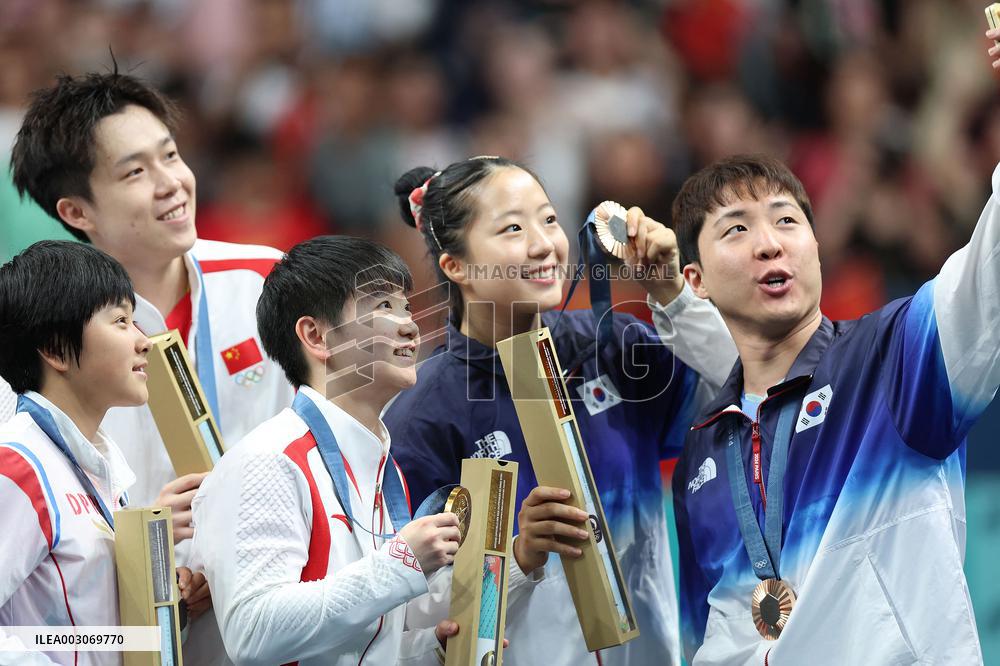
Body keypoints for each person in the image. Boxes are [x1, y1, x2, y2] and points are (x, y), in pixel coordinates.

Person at [384, 156, 736, 666]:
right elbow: (417, 618)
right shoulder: (423, 420)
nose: (543, 243)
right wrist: (520, 556)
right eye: (512, 228)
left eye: (548, 219)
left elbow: (744, 388)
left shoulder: (612, 347)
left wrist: (672, 292)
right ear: (455, 266)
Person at [670, 146, 999, 663]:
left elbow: (989, 275)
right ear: (696, 280)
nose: (769, 244)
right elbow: (709, 630)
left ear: (816, 248)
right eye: (737, 229)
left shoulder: (894, 356)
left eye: (786, 220)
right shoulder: (702, 451)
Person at [9, 71, 294, 662]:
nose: (172, 184)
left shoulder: (271, 283)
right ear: (76, 210)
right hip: (129, 634)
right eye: (135, 172)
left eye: (171, 155)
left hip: (278, 615)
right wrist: (153, 562)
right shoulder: (40, 339)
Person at [189, 236, 475, 665]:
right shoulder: (269, 461)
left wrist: (426, 648)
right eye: (382, 306)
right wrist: (399, 563)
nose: (410, 326)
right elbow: (253, 631)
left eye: (406, 307)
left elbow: (363, 636)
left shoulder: (380, 464)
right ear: (316, 335)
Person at [0, 241, 149, 665]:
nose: (144, 342)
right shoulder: (17, 465)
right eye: (121, 321)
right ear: (54, 348)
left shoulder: (100, 467)